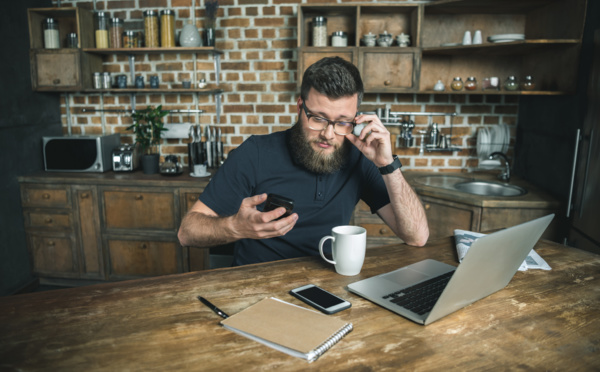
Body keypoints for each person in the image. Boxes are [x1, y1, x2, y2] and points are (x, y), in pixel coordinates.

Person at [178, 57, 429, 266]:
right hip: (255, 288)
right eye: (318, 118)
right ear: (300, 107)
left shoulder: (360, 158)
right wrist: (236, 227)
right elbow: (187, 232)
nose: (328, 134)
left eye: (342, 122)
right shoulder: (254, 152)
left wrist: (388, 165)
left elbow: (417, 237)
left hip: (327, 289)